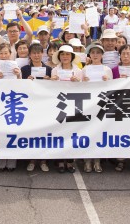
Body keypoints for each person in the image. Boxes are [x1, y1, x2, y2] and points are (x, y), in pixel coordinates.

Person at [0, 43, 21, 172]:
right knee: (0, 133)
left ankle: (12, 161)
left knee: (13, 132)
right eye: (1, 53)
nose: (4, 55)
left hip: (13, 103)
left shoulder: (15, 66)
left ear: (10, 54)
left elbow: (23, 88)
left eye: (6, 53)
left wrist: (18, 75)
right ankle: (0, 161)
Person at [50, 44, 82, 173]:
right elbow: (51, 89)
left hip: (74, 105)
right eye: (62, 54)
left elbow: (85, 89)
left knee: (71, 133)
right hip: (59, 105)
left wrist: (78, 82)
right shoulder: (55, 70)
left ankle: (69, 161)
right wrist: (52, 81)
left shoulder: (79, 71)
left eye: (67, 54)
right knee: (59, 132)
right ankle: (59, 161)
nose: (65, 57)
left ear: (72, 56)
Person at [82, 43, 112, 174]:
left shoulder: (107, 69)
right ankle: (87, 160)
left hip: (102, 105)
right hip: (88, 105)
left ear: (102, 55)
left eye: (98, 52)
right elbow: (78, 88)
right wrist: (83, 82)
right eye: (93, 52)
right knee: (87, 132)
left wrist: (108, 81)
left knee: (99, 133)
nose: (95, 55)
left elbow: (113, 88)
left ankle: (97, 161)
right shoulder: (85, 69)